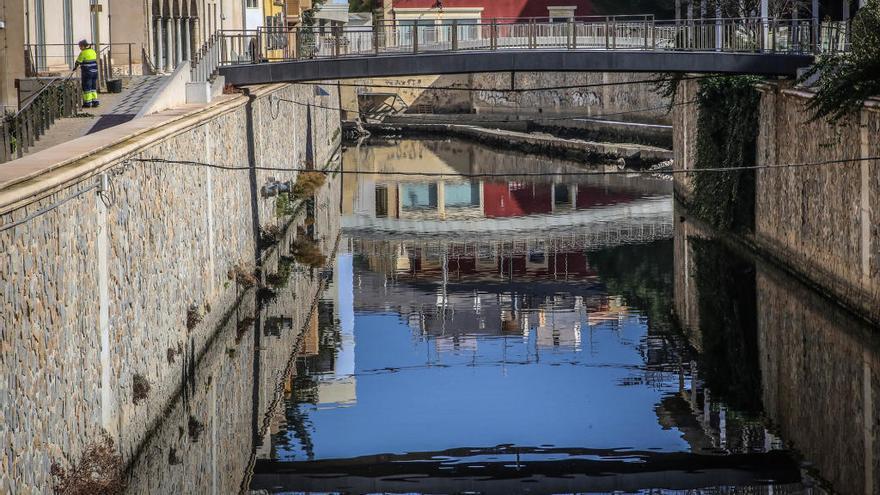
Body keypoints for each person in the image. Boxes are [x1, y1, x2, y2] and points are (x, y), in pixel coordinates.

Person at [74, 40, 99, 108]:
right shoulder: (93, 51)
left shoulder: (83, 53)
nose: (79, 48)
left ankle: (87, 103)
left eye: (80, 46)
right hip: (95, 71)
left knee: (86, 87)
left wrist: (75, 67)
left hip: (87, 72)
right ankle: (95, 101)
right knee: (93, 87)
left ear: (83, 46)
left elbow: (78, 62)